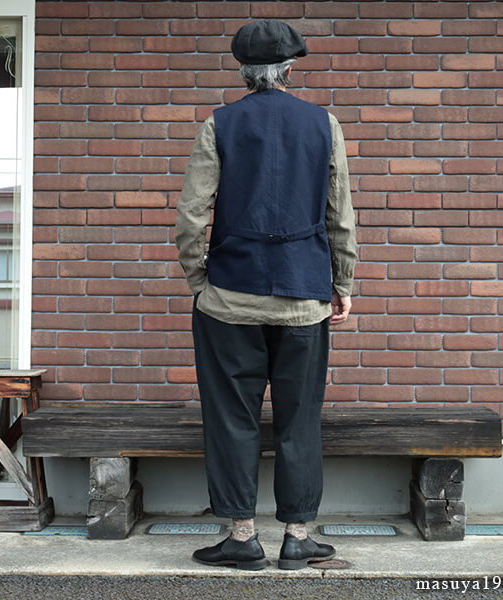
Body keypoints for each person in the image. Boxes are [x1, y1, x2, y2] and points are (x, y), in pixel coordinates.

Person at [175, 18, 357, 571]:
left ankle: (241, 537)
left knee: (232, 418)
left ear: (243, 71)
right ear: (289, 69)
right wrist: (342, 283)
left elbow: (191, 215)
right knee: (300, 419)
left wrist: (199, 281)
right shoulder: (324, 124)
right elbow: (340, 214)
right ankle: (298, 537)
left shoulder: (218, 124)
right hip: (304, 297)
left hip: (229, 298)